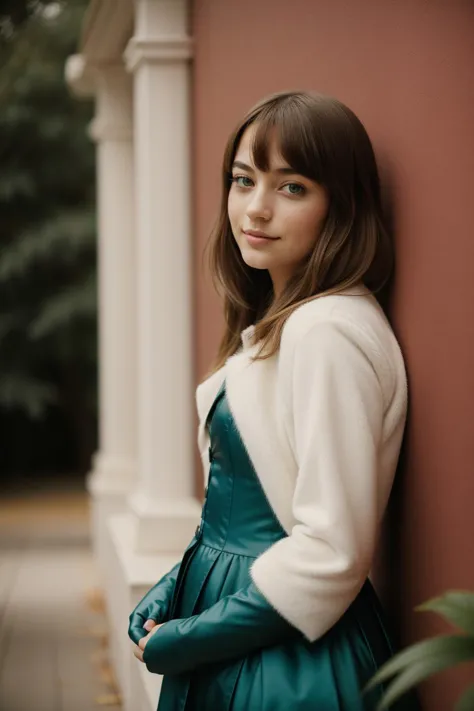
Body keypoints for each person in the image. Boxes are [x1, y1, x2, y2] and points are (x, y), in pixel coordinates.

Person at [128, 90, 419, 710]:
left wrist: (192, 635)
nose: (255, 209)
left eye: (291, 188)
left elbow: (331, 549)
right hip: (246, 631)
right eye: (243, 180)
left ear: (339, 207)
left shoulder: (327, 332)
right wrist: (175, 587)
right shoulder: (285, 324)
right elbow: (241, 507)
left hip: (287, 660)